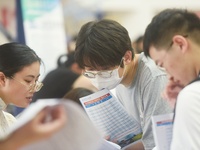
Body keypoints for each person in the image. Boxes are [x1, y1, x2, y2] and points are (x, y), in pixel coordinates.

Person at [74, 19, 173, 150]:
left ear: (126, 57)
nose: (98, 76)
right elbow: (140, 139)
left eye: (105, 70)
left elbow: (157, 144)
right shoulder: (121, 80)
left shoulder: (153, 77)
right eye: (91, 70)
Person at [143, 8, 200, 149]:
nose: (169, 76)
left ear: (180, 44)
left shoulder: (192, 95)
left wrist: (185, 104)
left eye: (162, 64)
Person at [0, 42, 43, 134]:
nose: (34, 89)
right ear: (2, 79)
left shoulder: (10, 120)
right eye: (28, 81)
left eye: (36, 81)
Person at [0, 105, 66, 150]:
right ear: (2, 83)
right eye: (28, 83)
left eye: (36, 84)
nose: (33, 89)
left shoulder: (10, 118)